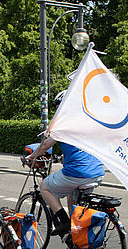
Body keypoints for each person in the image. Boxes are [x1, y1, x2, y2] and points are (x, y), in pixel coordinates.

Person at [26, 91, 105, 237]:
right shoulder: (88, 120)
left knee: (45, 186)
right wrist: (65, 156)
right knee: (72, 197)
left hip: (79, 173)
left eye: (58, 107)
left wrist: (31, 157)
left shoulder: (63, 124)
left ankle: (64, 222)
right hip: (98, 172)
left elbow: (44, 146)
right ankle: (76, 234)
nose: (57, 110)